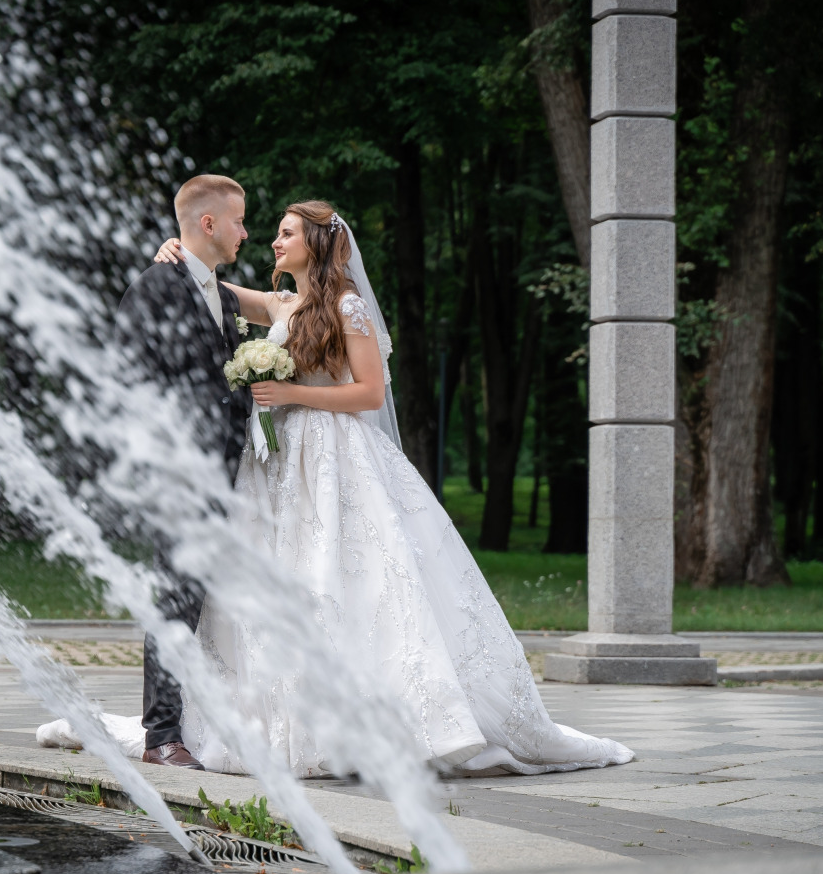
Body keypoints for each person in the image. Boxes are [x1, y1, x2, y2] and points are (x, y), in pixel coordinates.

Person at [147, 201, 633, 777]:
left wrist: (294, 395)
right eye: (274, 232)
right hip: (280, 468)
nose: (273, 242)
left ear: (318, 244)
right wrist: (172, 255)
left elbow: (371, 394)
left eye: (286, 234)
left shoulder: (348, 307)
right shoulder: (281, 302)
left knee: (348, 579)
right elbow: (216, 287)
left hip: (335, 457)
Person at [113, 174, 252, 770]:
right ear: (209, 223)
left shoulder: (220, 295)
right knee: (174, 599)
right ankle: (160, 738)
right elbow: (128, 382)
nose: (247, 232)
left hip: (223, 475)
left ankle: (198, 722)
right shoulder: (153, 287)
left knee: (200, 602)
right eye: (241, 221)